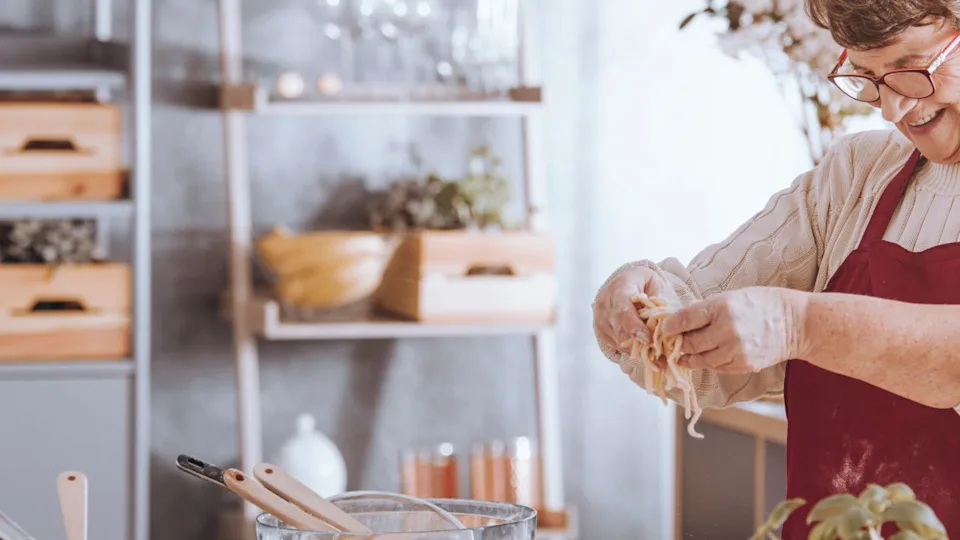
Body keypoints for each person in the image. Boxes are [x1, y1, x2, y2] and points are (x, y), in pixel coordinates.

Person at [591, 0, 960, 537]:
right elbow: (699, 333)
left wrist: (799, 326)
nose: (893, 109)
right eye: (869, 78)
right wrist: (643, 305)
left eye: (913, 69)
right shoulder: (854, 178)